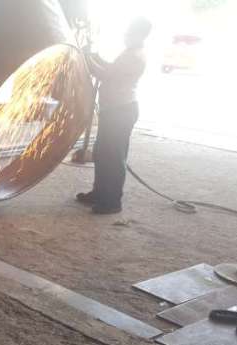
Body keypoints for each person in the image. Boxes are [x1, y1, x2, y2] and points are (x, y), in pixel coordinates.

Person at [76, 17, 152, 214]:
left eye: (130, 32)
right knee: (102, 153)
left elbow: (106, 75)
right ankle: (99, 193)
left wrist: (86, 60)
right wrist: (94, 56)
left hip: (121, 111)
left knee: (113, 157)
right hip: (113, 110)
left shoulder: (135, 56)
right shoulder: (130, 52)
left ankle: (111, 202)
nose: (126, 35)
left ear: (140, 34)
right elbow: (111, 68)